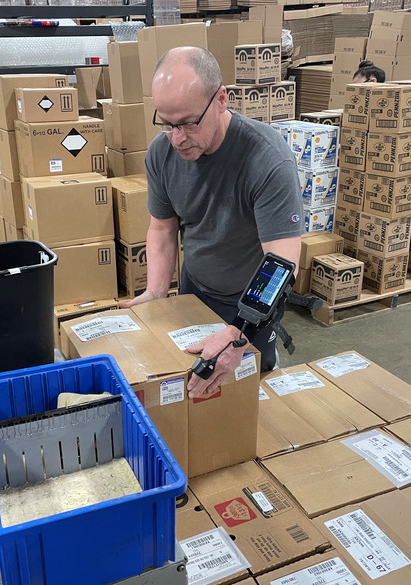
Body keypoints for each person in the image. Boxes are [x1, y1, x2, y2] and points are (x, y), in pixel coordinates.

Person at [119, 47, 303, 398]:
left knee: (249, 391)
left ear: (221, 100)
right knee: (195, 388)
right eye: (166, 123)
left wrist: (239, 333)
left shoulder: (266, 159)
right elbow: (162, 227)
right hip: (197, 289)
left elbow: (282, 264)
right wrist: (156, 292)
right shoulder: (162, 153)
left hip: (249, 303)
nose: (177, 138)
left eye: (188, 123)